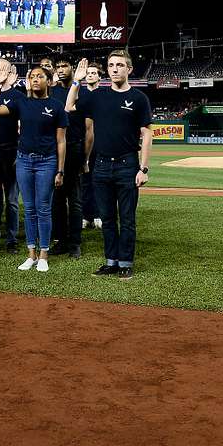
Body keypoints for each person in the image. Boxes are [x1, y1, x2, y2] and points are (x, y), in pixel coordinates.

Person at [64, 49, 152, 281]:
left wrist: (143, 168)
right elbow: (69, 106)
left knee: (127, 218)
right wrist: (77, 81)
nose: (115, 69)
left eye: (120, 65)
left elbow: (147, 134)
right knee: (108, 218)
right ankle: (111, 262)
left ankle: (126, 263)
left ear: (129, 69)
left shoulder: (139, 98)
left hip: (127, 164)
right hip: (101, 165)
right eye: (111, 65)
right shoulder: (97, 96)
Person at [0, 65, 67, 272]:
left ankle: (44, 254)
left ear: (49, 81)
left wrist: (60, 170)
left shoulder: (57, 106)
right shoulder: (20, 102)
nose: (35, 79)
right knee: (30, 209)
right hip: (23, 160)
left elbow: (61, 141)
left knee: (43, 208)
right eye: (32, 76)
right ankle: (31, 254)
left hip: (47, 161)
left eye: (40, 76)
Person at [49, 55, 93, 259]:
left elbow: (89, 129)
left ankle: (75, 242)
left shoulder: (82, 92)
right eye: (57, 66)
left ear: (72, 68)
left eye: (64, 65)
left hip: (74, 147)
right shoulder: (52, 91)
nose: (60, 69)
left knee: (75, 200)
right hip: (53, 149)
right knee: (56, 200)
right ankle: (60, 241)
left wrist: (85, 159)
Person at [0, 59, 22, 254]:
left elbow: (23, 128)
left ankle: (12, 241)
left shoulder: (18, 96)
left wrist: (20, 152)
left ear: (10, 72)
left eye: (2, 68)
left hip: (12, 152)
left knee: (12, 200)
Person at [80, 62, 104, 229]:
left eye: (94, 73)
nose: (90, 75)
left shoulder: (105, 95)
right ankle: (85, 215)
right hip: (81, 142)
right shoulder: (79, 94)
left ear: (99, 77)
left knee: (99, 181)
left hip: (100, 143)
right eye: (88, 72)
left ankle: (98, 214)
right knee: (83, 181)